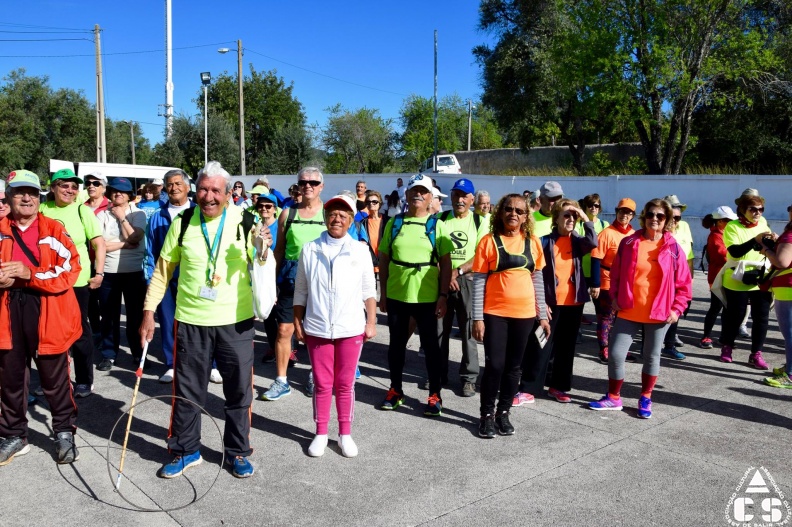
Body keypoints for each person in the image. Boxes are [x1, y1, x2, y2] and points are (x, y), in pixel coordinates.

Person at [140, 160, 271, 479]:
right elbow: (162, 270)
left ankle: (238, 451)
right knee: (187, 392)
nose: (208, 196)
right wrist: (148, 311)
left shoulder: (246, 219)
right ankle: (186, 450)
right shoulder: (183, 222)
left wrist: (263, 245)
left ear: (228, 193)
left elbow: (262, 260)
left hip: (236, 322)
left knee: (239, 392)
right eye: (203, 189)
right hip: (191, 321)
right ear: (195, 191)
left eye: (215, 190)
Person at [0, 169, 82, 466]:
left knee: (54, 377)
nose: (26, 197)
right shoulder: (0, 227)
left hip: (48, 309)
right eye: (20, 192)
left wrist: (29, 274)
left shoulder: (54, 229)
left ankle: (63, 431)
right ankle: (13, 435)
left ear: (40, 196)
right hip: (7, 310)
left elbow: (71, 270)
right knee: (10, 376)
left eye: (32, 192)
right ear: (8, 196)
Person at [589, 199, 692, 418]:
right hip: (628, 310)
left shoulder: (673, 248)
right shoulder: (629, 243)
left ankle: (646, 397)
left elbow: (684, 283)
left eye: (660, 216)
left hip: (659, 313)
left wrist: (677, 309)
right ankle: (614, 397)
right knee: (616, 354)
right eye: (651, 215)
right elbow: (615, 274)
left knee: (651, 356)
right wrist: (614, 297)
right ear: (644, 217)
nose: (654, 219)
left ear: (667, 220)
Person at [293, 194, 377, 457]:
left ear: (351, 220)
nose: (337, 218)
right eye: (332, 213)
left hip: (350, 326)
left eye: (343, 215)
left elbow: (368, 290)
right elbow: (301, 291)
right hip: (317, 327)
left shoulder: (360, 249)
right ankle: (320, 433)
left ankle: (344, 434)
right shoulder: (310, 248)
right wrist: (298, 322)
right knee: (321, 382)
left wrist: (371, 321)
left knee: (344, 383)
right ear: (325, 217)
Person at [472, 193, 548, 437]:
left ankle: (503, 413)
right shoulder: (488, 241)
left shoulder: (533, 242)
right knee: (495, 365)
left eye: (519, 210)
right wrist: (477, 318)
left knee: (514, 368)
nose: (513, 214)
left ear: (526, 216)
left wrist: (542, 314)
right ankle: (486, 416)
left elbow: (538, 279)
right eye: (508, 209)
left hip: (524, 315)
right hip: (495, 313)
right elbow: (478, 282)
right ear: (500, 212)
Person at [377, 173, 452, 416]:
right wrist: (384, 293)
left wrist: (443, 295)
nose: (418, 195)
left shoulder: (437, 225)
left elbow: (446, 263)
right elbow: (384, 258)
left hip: (427, 297)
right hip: (398, 294)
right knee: (396, 346)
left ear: (431, 197)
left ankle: (435, 394)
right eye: (413, 191)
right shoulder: (394, 223)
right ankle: (395, 390)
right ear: (406, 195)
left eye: (423, 192)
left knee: (431, 348)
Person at [520, 199, 597, 403]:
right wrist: (540, 301)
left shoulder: (579, 242)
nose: (571, 219)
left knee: (566, 347)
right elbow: (534, 273)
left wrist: (583, 215)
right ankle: (529, 388)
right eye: (566, 215)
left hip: (573, 304)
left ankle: (558, 387)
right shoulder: (544, 242)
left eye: (573, 216)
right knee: (539, 345)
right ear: (556, 219)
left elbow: (593, 241)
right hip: (550, 304)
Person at [261, 167, 327, 401]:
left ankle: (316, 375)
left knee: (317, 333)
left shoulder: (329, 213)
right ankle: (281, 381)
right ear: (298, 185)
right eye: (303, 182)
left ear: (321, 186)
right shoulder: (287, 214)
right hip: (290, 280)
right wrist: (272, 282)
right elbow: (278, 250)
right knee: (283, 330)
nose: (307, 185)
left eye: (313, 182)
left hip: (321, 282)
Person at [39, 168, 106, 397]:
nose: (70, 190)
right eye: (64, 185)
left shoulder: (82, 210)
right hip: (46, 281)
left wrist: (99, 274)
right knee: (47, 331)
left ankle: (85, 380)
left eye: (74, 186)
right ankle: (51, 379)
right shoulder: (41, 209)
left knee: (79, 331)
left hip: (77, 281)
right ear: (53, 187)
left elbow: (99, 243)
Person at [436, 178, 488, 397]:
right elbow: (434, 251)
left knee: (468, 331)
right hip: (443, 281)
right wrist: (446, 275)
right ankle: (438, 374)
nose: (459, 200)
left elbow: (481, 254)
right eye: (456, 195)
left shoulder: (480, 221)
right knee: (440, 330)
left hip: (468, 280)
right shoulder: (440, 218)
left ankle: (469, 378)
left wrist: (457, 272)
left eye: (464, 196)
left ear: (472, 199)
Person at [144, 169, 196, 383]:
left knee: (197, 323)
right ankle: (172, 364)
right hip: (166, 277)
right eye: (169, 184)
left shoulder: (198, 212)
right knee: (168, 322)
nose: (173, 188)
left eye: (177, 183)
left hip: (194, 278)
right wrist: (150, 278)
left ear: (187, 187)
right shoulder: (157, 216)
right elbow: (149, 250)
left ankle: (209, 364)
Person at [718, 191, 775, 368]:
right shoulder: (732, 226)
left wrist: (772, 241)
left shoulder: (763, 223)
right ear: (743, 210)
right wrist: (755, 239)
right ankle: (727, 347)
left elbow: (762, 245)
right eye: (753, 209)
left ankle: (756, 353)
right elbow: (735, 252)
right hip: (737, 276)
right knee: (735, 316)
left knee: (762, 318)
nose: (758, 213)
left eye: (761, 209)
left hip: (761, 276)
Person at [96, 177, 147, 371]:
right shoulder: (102, 216)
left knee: (135, 317)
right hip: (108, 272)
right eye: (114, 191)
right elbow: (100, 245)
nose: (118, 194)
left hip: (134, 272)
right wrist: (126, 244)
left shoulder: (138, 213)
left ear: (130, 195)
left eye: (123, 191)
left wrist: (121, 217)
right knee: (109, 316)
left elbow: (135, 236)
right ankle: (109, 354)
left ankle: (137, 354)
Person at [590, 199, 637, 363]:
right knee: (607, 316)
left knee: (623, 318)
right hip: (607, 279)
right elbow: (596, 258)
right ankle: (604, 349)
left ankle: (619, 350)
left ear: (633, 216)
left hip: (625, 282)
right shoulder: (607, 233)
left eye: (628, 212)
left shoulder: (634, 235)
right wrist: (595, 284)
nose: (625, 215)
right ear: (617, 211)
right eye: (622, 211)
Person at [660, 194, 695, 360]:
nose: (676, 220)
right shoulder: (659, 230)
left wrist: (691, 276)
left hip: (680, 277)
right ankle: (648, 347)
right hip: (662, 278)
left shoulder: (685, 227)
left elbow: (690, 254)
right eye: (672, 216)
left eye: (678, 216)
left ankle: (669, 345)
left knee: (676, 311)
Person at [762, 203, 792, 388]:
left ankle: (790, 374)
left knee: (789, 333)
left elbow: (782, 261)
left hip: (787, 288)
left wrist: (767, 250)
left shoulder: (790, 235)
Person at [700, 206, 737, 349]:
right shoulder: (715, 236)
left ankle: (724, 337)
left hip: (728, 276)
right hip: (717, 277)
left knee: (727, 309)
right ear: (720, 221)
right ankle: (705, 337)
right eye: (728, 220)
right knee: (716, 307)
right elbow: (723, 255)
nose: (731, 222)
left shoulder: (726, 233)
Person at [255, 190, 282, 365]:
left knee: (282, 315)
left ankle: (289, 349)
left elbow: (281, 253)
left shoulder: (280, 226)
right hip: (261, 275)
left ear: (274, 208)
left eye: (268, 206)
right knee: (268, 315)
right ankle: (273, 346)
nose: (264, 208)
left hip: (277, 276)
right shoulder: (256, 225)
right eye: (261, 206)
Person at [360, 190, 385, 280]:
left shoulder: (387, 221)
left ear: (380, 204)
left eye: (374, 201)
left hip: (385, 261)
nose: (371, 204)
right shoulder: (362, 223)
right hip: (369, 262)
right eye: (368, 202)